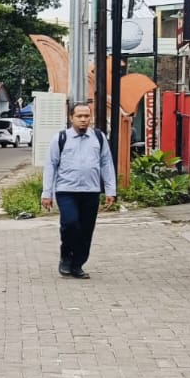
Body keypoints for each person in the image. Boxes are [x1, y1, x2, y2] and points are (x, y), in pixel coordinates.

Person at [40, 103, 117, 279]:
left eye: (86, 116)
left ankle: (78, 264)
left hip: (91, 191)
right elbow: (51, 165)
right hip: (66, 190)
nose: (83, 120)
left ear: (90, 118)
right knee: (71, 223)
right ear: (71, 118)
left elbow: (106, 163)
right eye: (79, 116)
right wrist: (47, 193)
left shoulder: (98, 137)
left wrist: (110, 190)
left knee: (86, 230)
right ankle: (66, 256)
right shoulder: (60, 138)